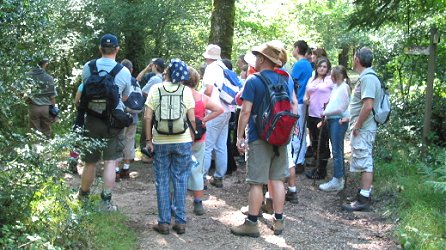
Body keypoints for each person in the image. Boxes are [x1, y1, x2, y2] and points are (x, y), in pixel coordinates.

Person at [231, 41, 292, 237]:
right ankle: (279, 221)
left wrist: (239, 137)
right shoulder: (283, 79)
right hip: (280, 136)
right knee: (277, 180)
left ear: (263, 59)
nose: (255, 60)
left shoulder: (253, 80)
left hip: (260, 136)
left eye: (257, 56)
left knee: (256, 182)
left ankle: (252, 223)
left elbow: (246, 111)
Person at [77, 34, 132, 211]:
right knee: (110, 162)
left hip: (91, 119)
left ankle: (83, 197)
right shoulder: (123, 72)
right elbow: (125, 97)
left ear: (100, 49)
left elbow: (83, 90)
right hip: (113, 123)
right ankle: (105, 202)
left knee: (90, 161)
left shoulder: (88, 67)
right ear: (117, 49)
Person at [144, 59, 195, 235]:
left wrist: (148, 140)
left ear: (166, 72)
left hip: (160, 141)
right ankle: (180, 222)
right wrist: (192, 139)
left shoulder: (155, 89)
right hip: (183, 140)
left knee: (162, 180)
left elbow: (147, 117)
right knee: (181, 179)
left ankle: (164, 222)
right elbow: (192, 119)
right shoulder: (186, 91)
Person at [342, 47, 382, 211]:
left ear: (357, 59)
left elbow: (367, 106)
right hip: (363, 127)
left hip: (364, 128)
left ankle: (364, 199)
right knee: (363, 160)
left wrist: (357, 126)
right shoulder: (366, 77)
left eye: (353, 58)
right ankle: (363, 194)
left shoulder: (368, 79)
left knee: (365, 162)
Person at [183, 67, 223, 215]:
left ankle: (177, 203)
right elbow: (219, 109)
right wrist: (204, 119)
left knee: (178, 168)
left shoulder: (180, 96)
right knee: (197, 170)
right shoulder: (201, 97)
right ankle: (198, 203)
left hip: (181, 135)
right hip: (199, 136)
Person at [202, 44, 233, 188]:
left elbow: (208, 90)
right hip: (227, 109)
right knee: (221, 145)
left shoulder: (211, 68)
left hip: (214, 111)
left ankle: (201, 178)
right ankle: (219, 177)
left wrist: (200, 101)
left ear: (208, 57)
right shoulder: (224, 67)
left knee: (207, 146)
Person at [319, 65, 351, 192]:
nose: (330, 77)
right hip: (333, 120)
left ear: (337, 76)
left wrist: (326, 112)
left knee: (337, 151)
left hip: (338, 121)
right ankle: (338, 177)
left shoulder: (344, 87)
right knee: (335, 150)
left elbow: (342, 107)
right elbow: (334, 103)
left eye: (332, 75)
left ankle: (338, 179)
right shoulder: (336, 87)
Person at [304, 57, 334, 180]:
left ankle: (321, 171)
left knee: (322, 143)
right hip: (311, 113)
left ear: (328, 69)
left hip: (322, 115)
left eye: (325, 66)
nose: (322, 68)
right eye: (320, 66)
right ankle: (317, 166)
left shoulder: (330, 80)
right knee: (314, 141)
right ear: (316, 67)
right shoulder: (312, 79)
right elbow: (307, 94)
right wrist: (306, 99)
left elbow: (334, 95)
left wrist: (328, 110)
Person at [290, 40, 313, 174]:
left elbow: (292, 82)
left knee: (297, 130)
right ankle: (300, 158)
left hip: (298, 101)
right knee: (302, 130)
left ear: (297, 49)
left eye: (293, 48)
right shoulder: (308, 64)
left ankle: (297, 160)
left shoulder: (299, 64)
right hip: (303, 101)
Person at [116, 59, 139, 180]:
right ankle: (126, 168)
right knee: (129, 141)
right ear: (131, 69)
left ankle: (115, 171)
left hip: (121, 116)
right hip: (133, 117)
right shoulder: (135, 81)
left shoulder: (120, 79)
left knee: (118, 141)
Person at [137, 58, 165, 155]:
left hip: (150, 106)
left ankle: (146, 151)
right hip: (160, 108)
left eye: (152, 65)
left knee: (146, 128)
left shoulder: (154, 79)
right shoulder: (164, 78)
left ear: (155, 66)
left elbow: (143, 91)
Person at [27, 58, 57, 138]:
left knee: (34, 133)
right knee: (47, 132)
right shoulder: (49, 78)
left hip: (33, 107)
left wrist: (27, 100)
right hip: (46, 108)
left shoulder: (29, 76)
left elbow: (21, 92)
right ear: (45, 64)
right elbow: (52, 97)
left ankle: (35, 149)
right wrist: (54, 112)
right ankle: (46, 149)